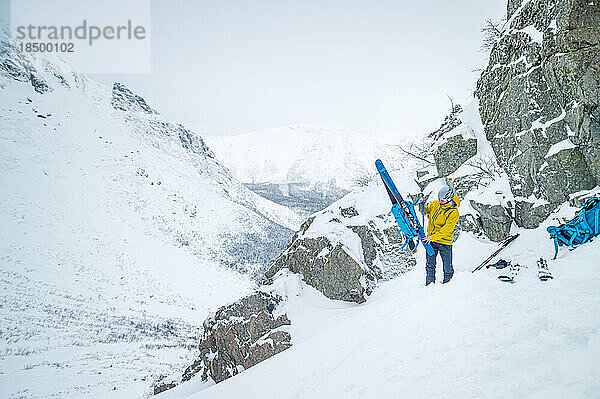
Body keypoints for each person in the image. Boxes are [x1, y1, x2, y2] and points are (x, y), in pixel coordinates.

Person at [415, 186, 460, 285]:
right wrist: (421, 203)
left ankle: (448, 285)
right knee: (430, 265)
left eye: (443, 200)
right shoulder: (436, 204)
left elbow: (446, 230)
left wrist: (432, 237)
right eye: (439, 198)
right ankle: (429, 285)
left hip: (444, 242)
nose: (440, 201)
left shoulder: (453, 212)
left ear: (449, 199)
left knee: (447, 267)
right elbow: (424, 211)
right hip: (431, 241)